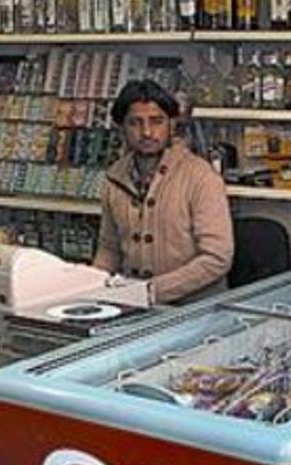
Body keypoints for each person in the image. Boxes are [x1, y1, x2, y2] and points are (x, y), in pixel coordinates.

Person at [94, 79, 234, 304]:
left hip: (195, 310)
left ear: (171, 124)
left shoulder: (201, 177)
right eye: (135, 123)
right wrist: (93, 290)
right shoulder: (114, 177)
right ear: (122, 128)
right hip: (133, 305)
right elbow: (109, 248)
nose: (147, 132)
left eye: (156, 121)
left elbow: (216, 258)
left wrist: (150, 292)